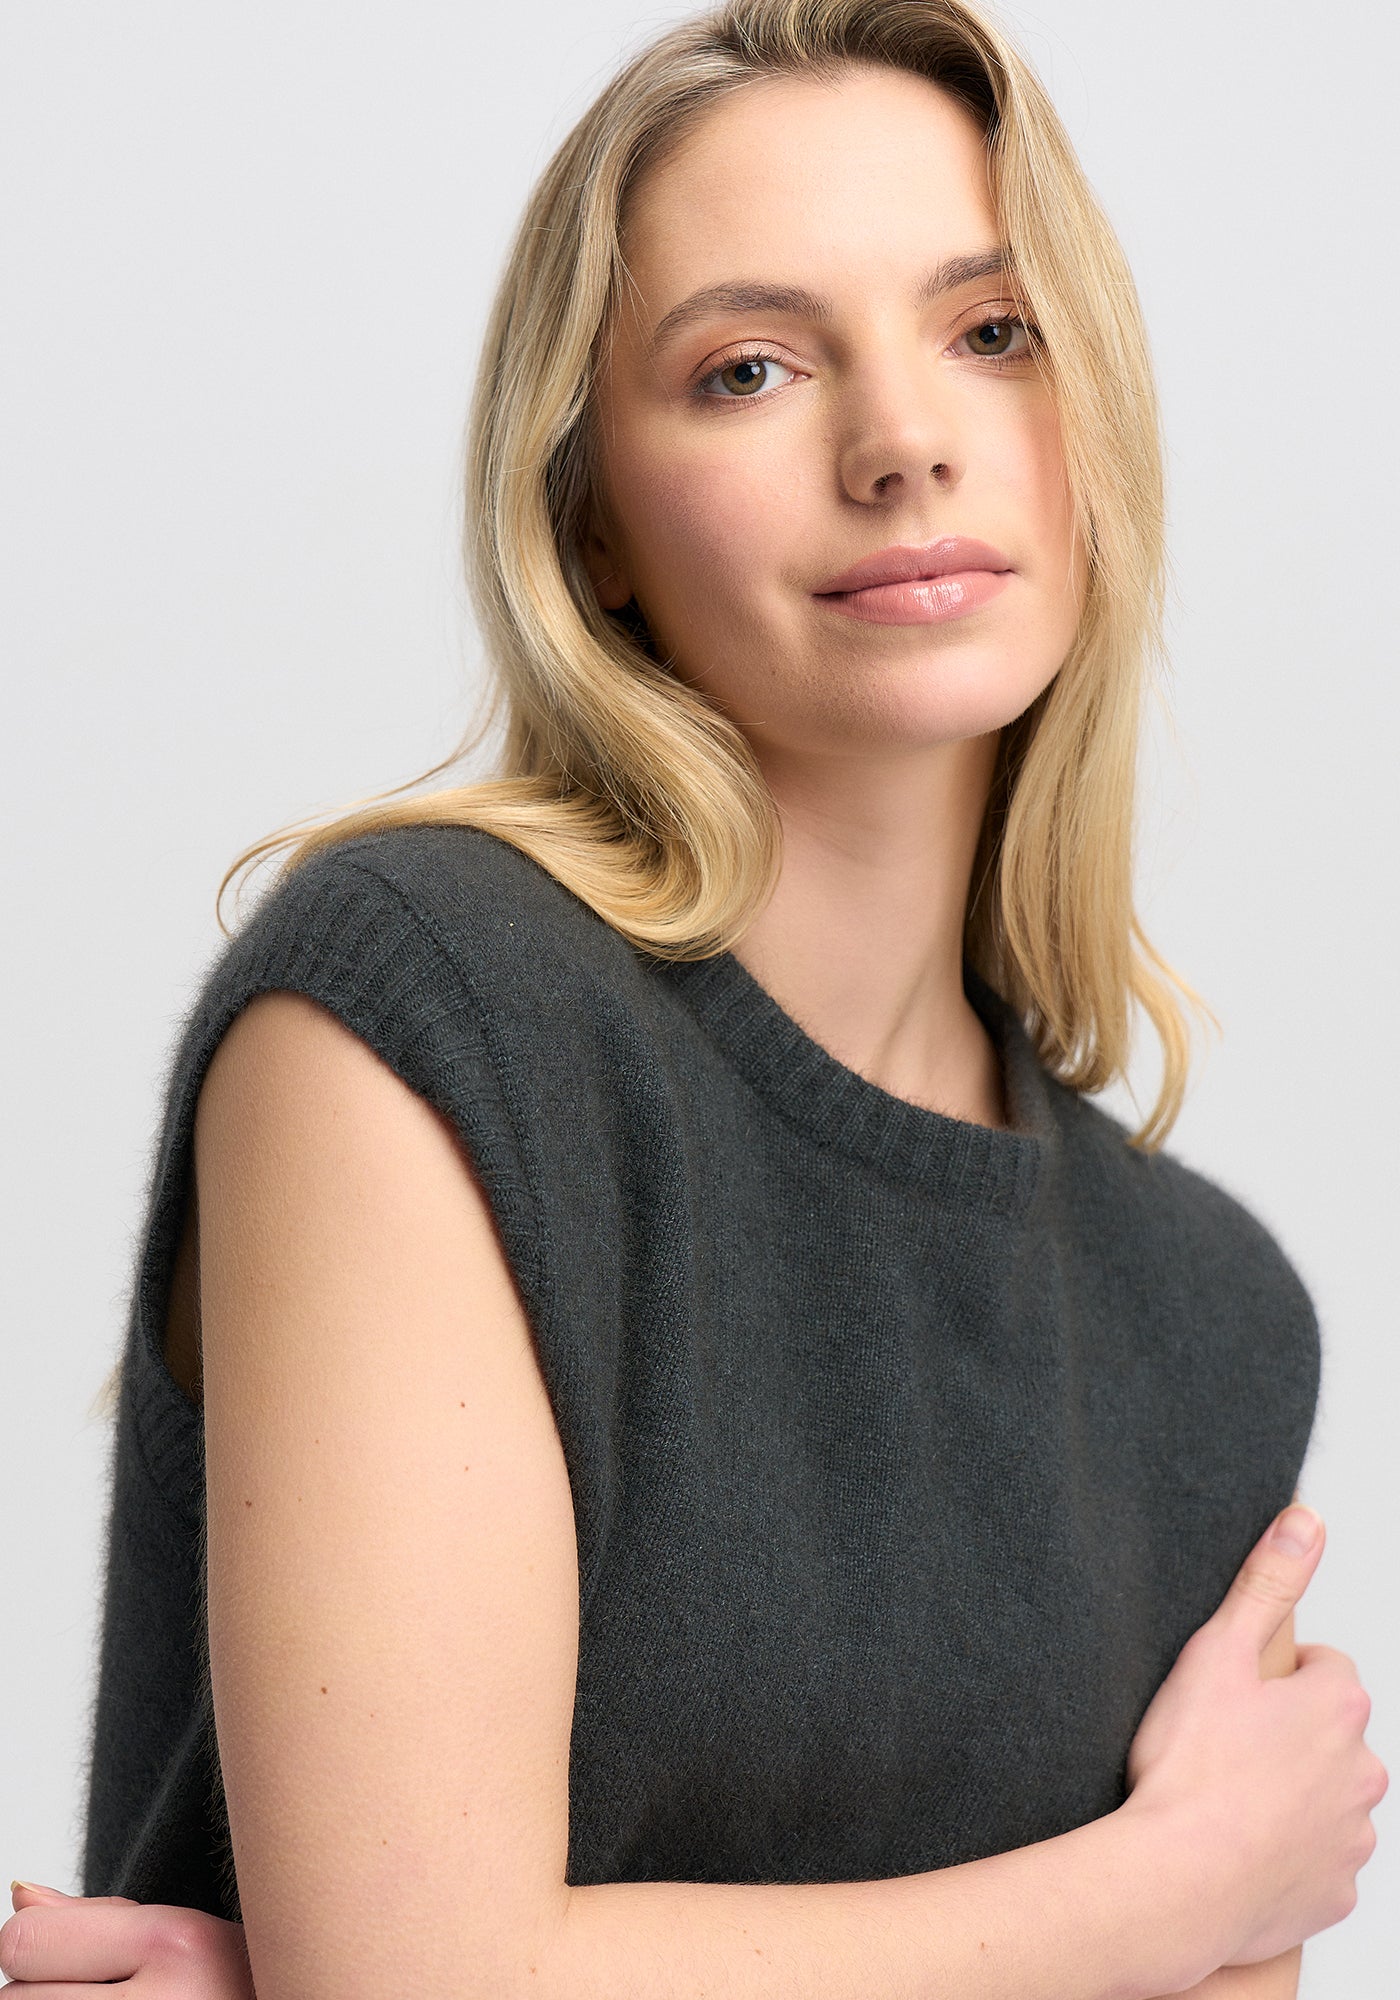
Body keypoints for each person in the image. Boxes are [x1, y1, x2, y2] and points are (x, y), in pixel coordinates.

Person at [4, 1, 1384, 1995]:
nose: (901, 440)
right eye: (748, 367)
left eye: (992, 330)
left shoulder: (1208, 1316)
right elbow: (420, 1984)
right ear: (592, 524)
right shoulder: (419, 1011)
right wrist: (1171, 1893)